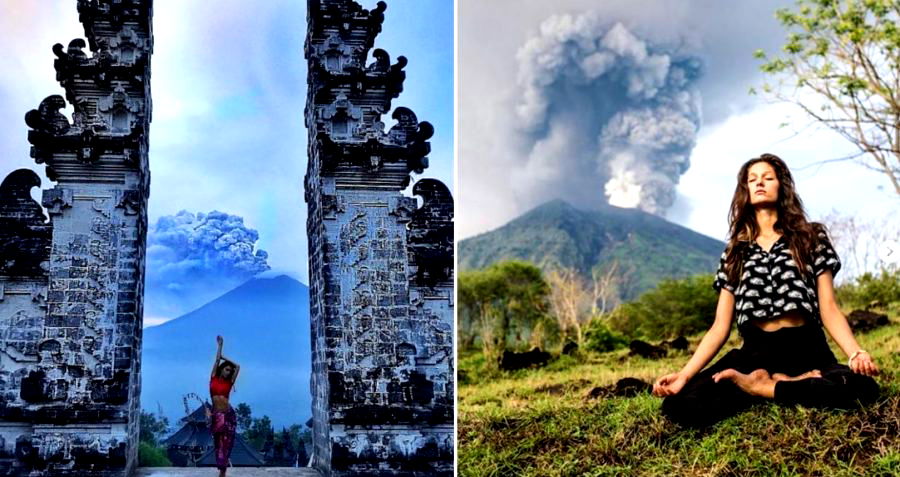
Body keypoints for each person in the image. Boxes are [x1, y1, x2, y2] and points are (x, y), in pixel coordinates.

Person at [652, 153, 880, 428]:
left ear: (782, 186)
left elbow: (829, 308)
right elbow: (720, 327)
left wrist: (855, 353)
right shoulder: (734, 252)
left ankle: (765, 389)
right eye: (752, 179)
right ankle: (786, 385)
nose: (760, 183)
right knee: (678, 406)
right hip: (755, 354)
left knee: (863, 389)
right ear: (745, 191)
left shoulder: (811, 236)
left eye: (768, 178)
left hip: (808, 348)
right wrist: (685, 375)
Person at [207, 335, 240, 476]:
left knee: (226, 443)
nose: (228, 372)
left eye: (229, 371)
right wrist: (220, 346)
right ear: (221, 369)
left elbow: (237, 366)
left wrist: (226, 359)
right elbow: (216, 360)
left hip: (227, 414)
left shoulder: (230, 382)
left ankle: (223, 472)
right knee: (218, 443)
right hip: (217, 414)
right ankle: (221, 468)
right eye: (226, 369)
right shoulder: (213, 377)